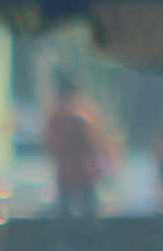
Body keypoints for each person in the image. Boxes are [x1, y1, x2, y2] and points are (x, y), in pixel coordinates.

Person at [41, 75, 115, 222]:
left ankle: (66, 238)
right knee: (89, 212)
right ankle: (88, 239)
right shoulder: (82, 118)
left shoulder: (54, 118)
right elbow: (97, 142)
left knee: (65, 211)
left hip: (67, 172)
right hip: (83, 171)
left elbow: (49, 145)